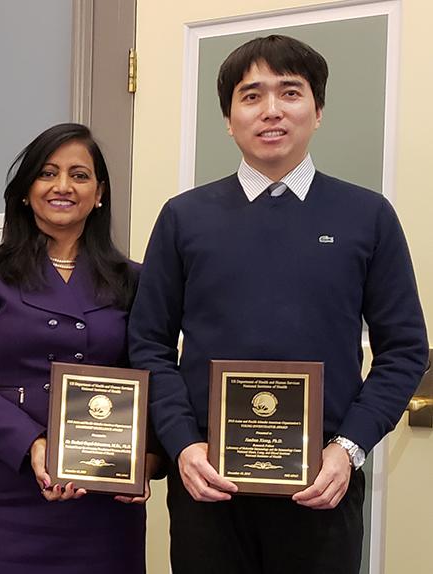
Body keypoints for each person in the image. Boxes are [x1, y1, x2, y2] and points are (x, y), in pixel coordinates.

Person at [129, 35, 427, 574]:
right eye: (251, 95)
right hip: (207, 486)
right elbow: (148, 343)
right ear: (228, 118)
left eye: (290, 92)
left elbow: (405, 351)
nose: (271, 110)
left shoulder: (368, 216)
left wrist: (350, 448)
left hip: (321, 487)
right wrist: (181, 445)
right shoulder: (184, 217)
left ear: (317, 110)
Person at [0, 123, 162, 573]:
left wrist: (150, 459)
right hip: (14, 488)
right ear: (26, 191)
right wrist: (33, 445)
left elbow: (156, 376)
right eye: (47, 173)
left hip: (106, 496)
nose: (63, 186)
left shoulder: (133, 279)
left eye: (79, 175)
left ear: (99, 193)